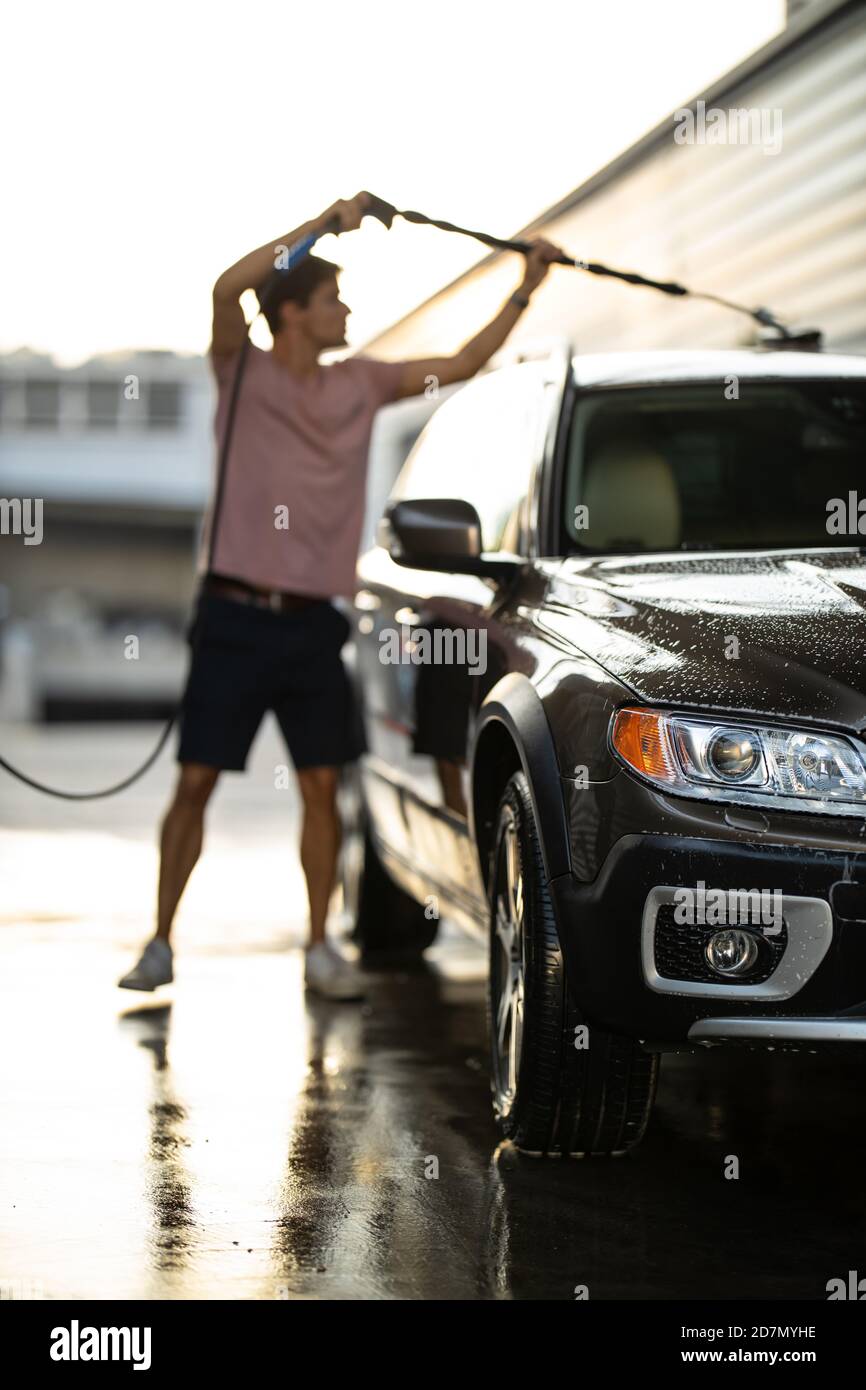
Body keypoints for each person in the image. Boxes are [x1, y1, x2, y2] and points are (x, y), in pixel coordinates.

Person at [118, 192, 563, 1000]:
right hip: (232, 617)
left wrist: (525, 284)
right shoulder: (241, 370)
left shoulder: (361, 383)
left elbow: (460, 364)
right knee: (195, 785)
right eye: (332, 299)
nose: (347, 307)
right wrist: (325, 223)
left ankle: (321, 946)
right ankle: (159, 943)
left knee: (323, 786)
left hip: (311, 627)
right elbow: (229, 289)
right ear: (292, 314)